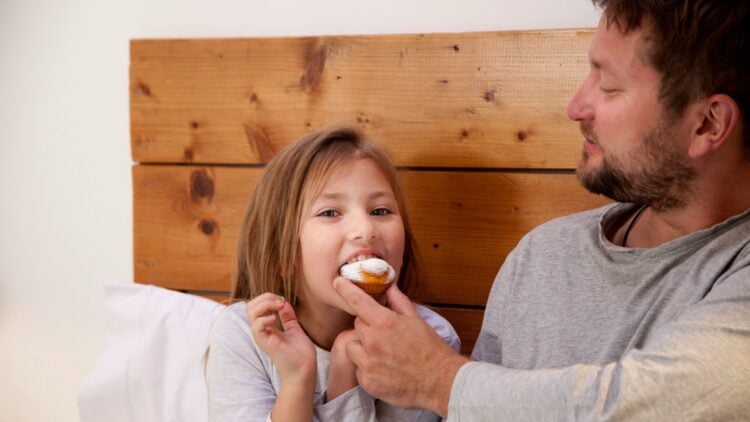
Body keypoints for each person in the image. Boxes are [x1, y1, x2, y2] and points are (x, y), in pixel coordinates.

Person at [333, 0, 750, 420]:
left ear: (708, 124)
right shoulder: (544, 254)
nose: (576, 107)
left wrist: (436, 379)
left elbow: (636, 405)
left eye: (608, 87)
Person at [204, 126, 460, 421]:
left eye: (380, 211)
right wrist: (298, 379)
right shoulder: (246, 334)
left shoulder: (428, 341)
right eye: (329, 213)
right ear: (283, 253)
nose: (366, 230)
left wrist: (344, 377)